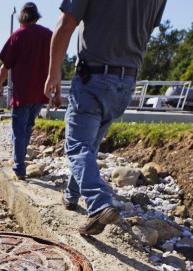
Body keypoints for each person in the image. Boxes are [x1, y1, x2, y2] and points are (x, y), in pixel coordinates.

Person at [44, 0, 167, 235]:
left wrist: (53, 73)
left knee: (77, 145)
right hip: (127, 80)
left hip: (94, 76)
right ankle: (71, 197)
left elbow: (65, 24)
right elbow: (147, 30)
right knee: (88, 145)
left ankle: (99, 204)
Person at [0, 2, 58, 181]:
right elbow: (57, 67)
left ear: (22, 17)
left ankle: (19, 167)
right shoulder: (49, 35)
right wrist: (57, 92)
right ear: (36, 16)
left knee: (18, 130)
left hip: (22, 94)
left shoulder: (17, 36)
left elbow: (4, 67)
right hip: (41, 93)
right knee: (28, 127)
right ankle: (20, 159)